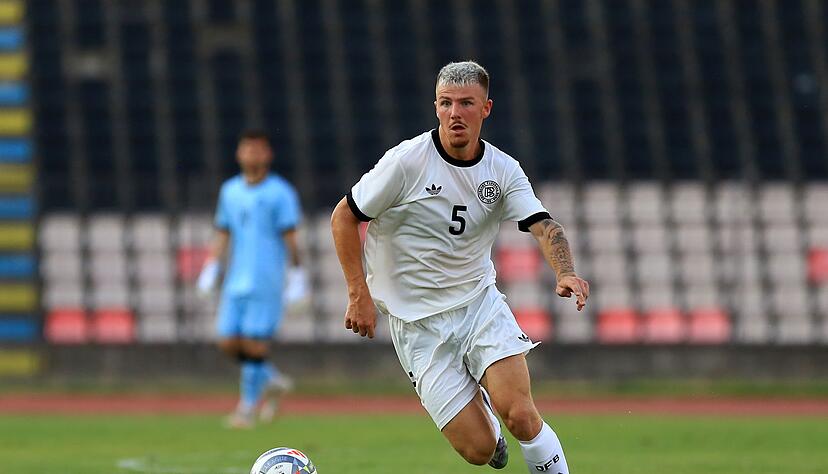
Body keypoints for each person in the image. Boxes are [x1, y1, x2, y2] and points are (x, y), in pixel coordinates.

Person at [330, 61, 589, 472]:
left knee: (521, 414)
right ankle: (488, 423)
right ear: (435, 107)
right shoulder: (406, 163)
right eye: (446, 103)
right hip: (417, 324)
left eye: (466, 103)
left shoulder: (503, 170)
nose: (455, 113)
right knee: (479, 451)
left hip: (478, 305)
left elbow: (544, 226)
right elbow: (345, 215)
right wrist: (357, 293)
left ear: (486, 108)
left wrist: (565, 272)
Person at [197, 130, 307, 428]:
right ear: (239, 154)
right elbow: (223, 230)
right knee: (228, 341)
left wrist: (297, 275)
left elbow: (291, 236)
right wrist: (210, 267)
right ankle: (272, 380)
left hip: (266, 277)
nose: (253, 155)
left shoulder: (280, 192)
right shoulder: (230, 191)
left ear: (268, 154)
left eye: (259, 150)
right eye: (248, 149)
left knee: (254, 343)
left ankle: (246, 408)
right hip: (236, 278)